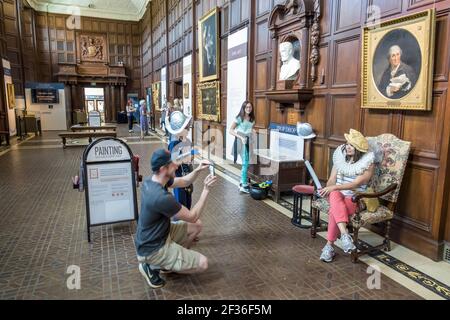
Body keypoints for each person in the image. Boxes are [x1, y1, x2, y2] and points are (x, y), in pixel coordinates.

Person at [135, 149, 217, 288]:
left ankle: (169, 263)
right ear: (163, 169)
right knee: (203, 263)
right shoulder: (160, 198)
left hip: (158, 235)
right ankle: (152, 265)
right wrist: (206, 189)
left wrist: (198, 170)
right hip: (153, 248)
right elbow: (192, 216)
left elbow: (184, 181)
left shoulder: (153, 180)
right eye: (173, 163)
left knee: (197, 226)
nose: (177, 166)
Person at [318, 129, 375, 263]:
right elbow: (332, 179)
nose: (348, 147)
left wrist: (334, 187)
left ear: (359, 149)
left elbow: (355, 183)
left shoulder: (368, 163)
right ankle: (344, 235)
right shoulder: (340, 158)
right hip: (337, 196)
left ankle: (329, 246)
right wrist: (328, 187)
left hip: (355, 198)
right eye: (347, 144)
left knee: (334, 210)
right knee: (335, 195)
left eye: (352, 145)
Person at [166, 111, 194, 209]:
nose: (188, 129)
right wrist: (186, 157)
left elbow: (188, 159)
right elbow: (174, 162)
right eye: (186, 127)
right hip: (179, 177)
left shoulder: (185, 141)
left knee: (188, 203)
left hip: (186, 175)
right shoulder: (174, 143)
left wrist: (191, 155)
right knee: (181, 206)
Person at [229, 101, 255, 194]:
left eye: (250, 107)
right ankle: (243, 185)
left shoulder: (252, 118)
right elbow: (230, 130)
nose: (248, 109)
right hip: (241, 141)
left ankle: (242, 182)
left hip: (248, 141)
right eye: (247, 107)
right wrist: (241, 137)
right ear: (243, 108)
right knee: (245, 163)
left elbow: (249, 130)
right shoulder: (239, 118)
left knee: (246, 162)